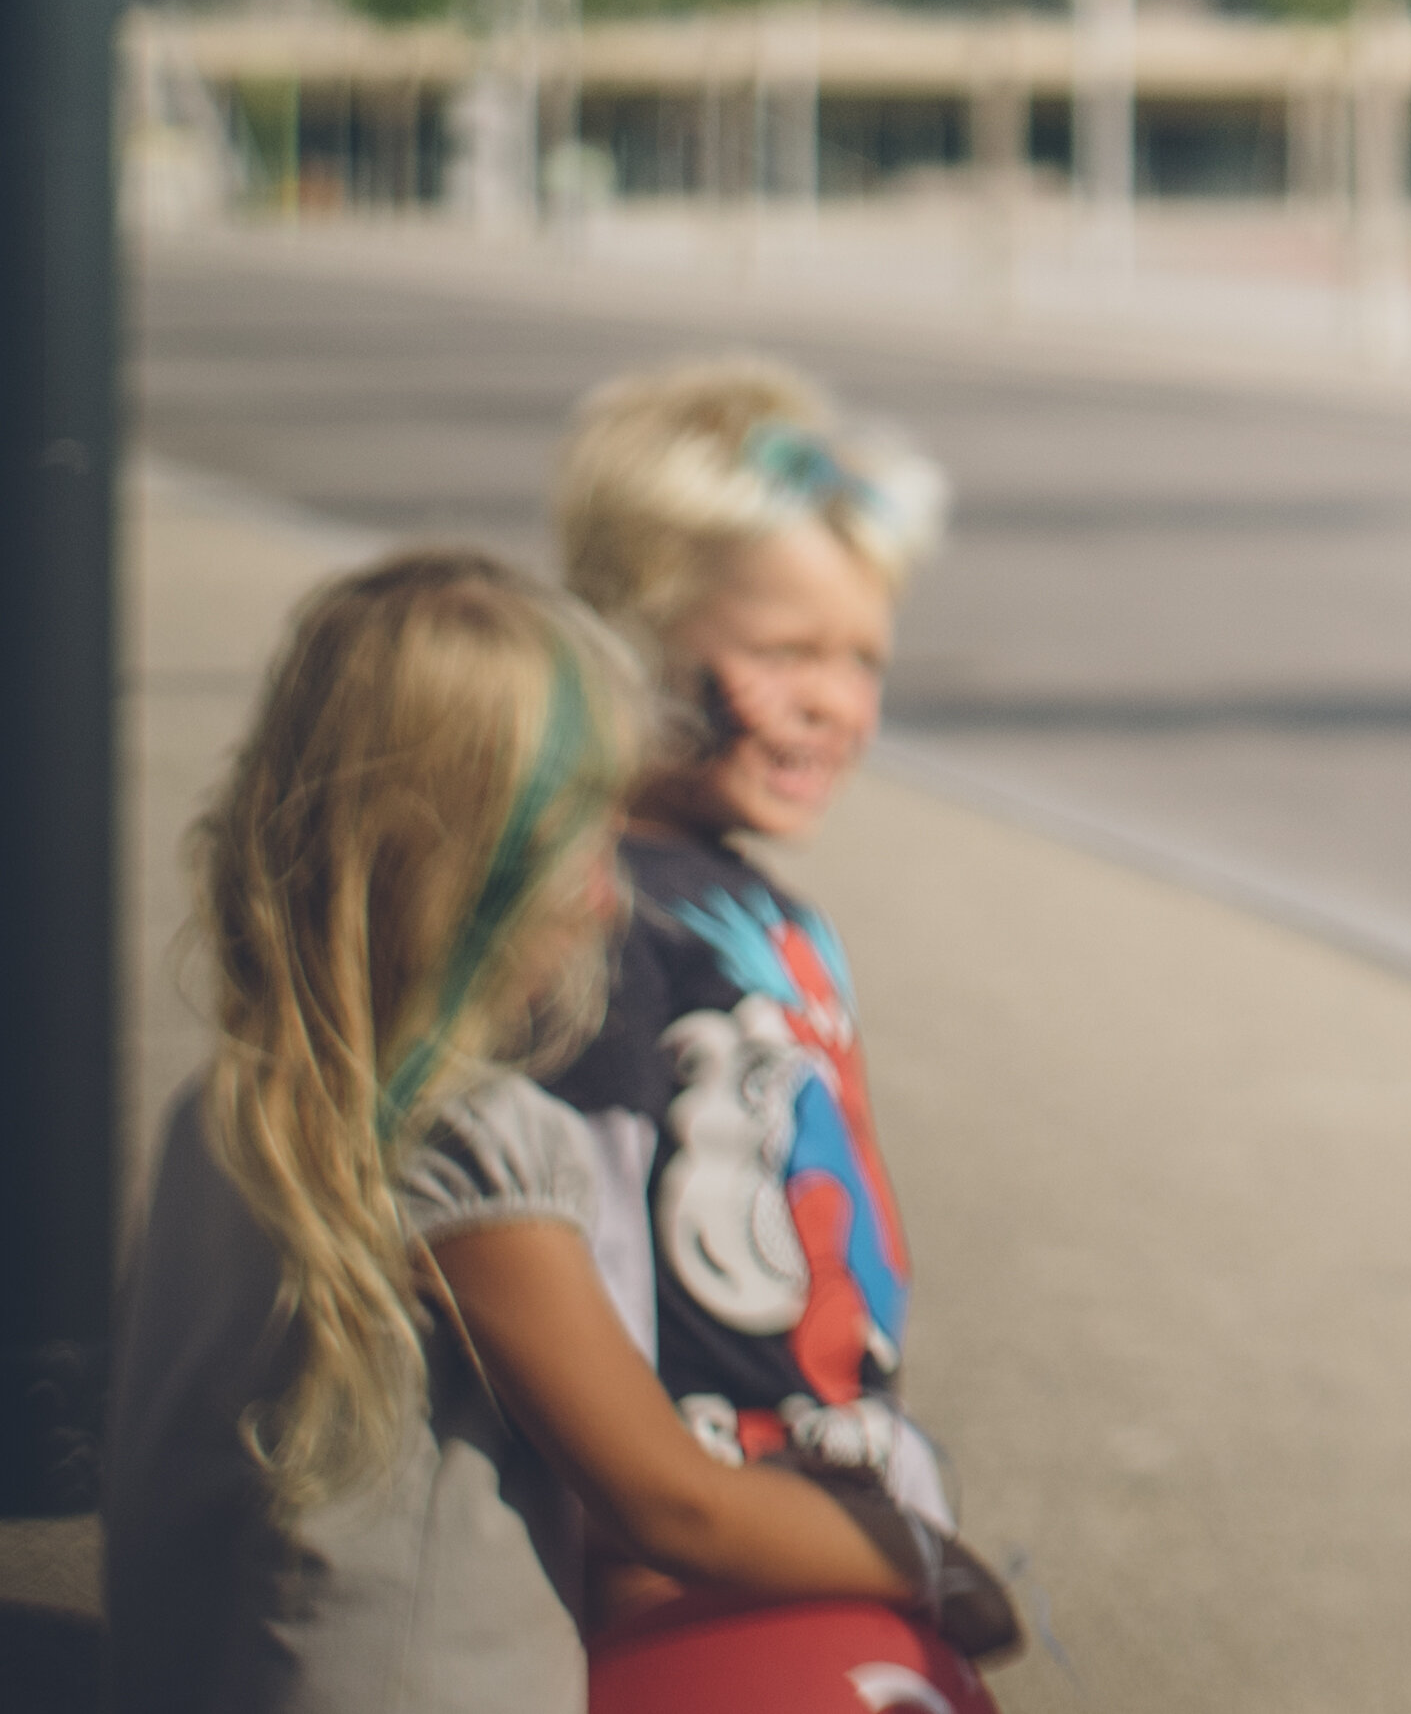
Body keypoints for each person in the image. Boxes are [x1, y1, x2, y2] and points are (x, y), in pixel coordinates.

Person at [105, 550, 1020, 1713]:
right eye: (578, 839)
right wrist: (934, 1563)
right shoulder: (462, 1139)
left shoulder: (235, 1102)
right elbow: (671, 1503)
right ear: (457, 861)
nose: (603, 895)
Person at [540, 361, 956, 1569]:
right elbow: (585, 1255)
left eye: (862, 660)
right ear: (630, 638)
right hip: (701, 1544)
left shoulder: (753, 901)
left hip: (825, 1486)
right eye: (785, 652)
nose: (833, 703)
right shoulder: (597, 920)